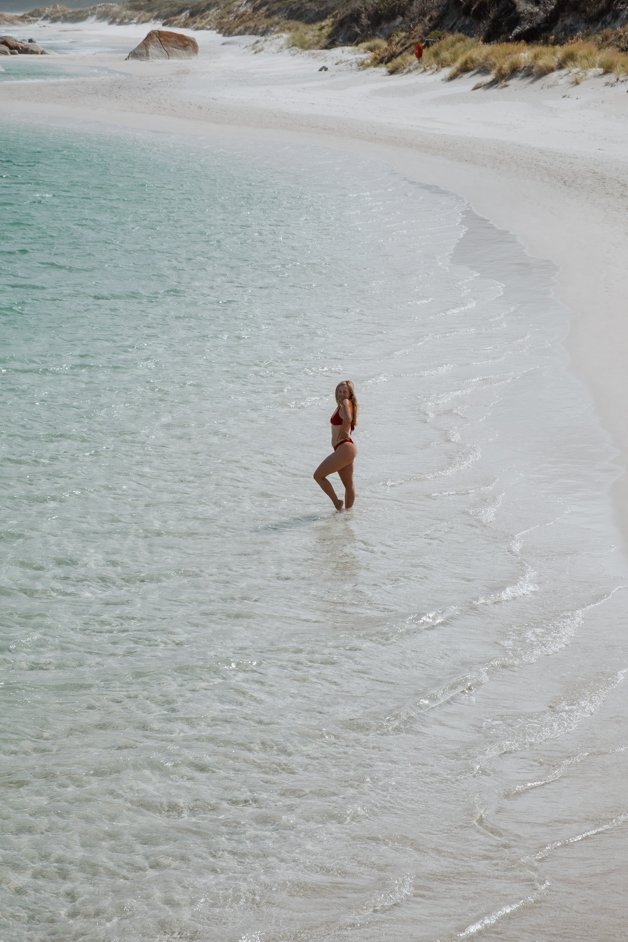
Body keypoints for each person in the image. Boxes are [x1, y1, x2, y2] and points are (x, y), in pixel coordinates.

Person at [313, 380, 358, 511]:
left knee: (318, 476)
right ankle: (348, 515)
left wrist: (344, 431)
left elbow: (348, 418)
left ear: (349, 394)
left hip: (344, 447)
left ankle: (337, 503)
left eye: (344, 392)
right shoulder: (343, 405)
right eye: (339, 391)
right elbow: (347, 418)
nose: (341, 394)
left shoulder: (346, 402)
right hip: (346, 448)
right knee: (348, 485)